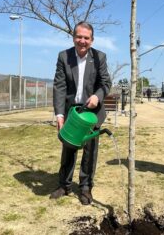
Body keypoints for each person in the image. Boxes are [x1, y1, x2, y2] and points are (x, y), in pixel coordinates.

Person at [50, 21, 111, 204]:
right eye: (79, 37)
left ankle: (85, 187)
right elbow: (59, 86)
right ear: (73, 37)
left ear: (91, 40)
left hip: (92, 113)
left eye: (86, 38)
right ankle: (64, 185)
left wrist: (97, 96)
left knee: (90, 152)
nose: (82, 41)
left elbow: (105, 83)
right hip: (72, 112)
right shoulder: (64, 56)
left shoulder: (99, 57)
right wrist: (60, 114)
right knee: (68, 149)